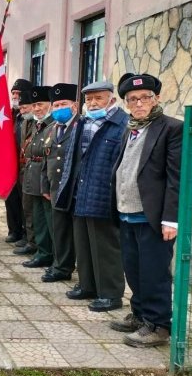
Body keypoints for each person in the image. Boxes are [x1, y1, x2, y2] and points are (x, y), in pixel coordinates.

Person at [110, 74, 180, 347]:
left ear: (156, 99)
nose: (139, 103)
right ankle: (140, 314)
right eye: (133, 99)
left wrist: (170, 219)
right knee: (134, 269)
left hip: (153, 216)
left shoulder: (171, 128)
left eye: (145, 98)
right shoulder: (130, 128)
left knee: (155, 272)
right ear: (127, 103)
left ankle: (159, 325)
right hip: (127, 212)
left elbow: (175, 177)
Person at [56, 79, 128, 312]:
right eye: (89, 99)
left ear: (112, 100)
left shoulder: (122, 125)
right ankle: (87, 285)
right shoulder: (83, 122)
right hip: (79, 192)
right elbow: (72, 158)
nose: (93, 103)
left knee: (105, 247)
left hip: (103, 194)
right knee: (83, 243)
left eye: (99, 98)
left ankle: (110, 293)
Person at [40, 83, 79, 282]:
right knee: (59, 230)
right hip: (55, 188)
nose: (58, 108)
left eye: (63, 104)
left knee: (74, 233)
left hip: (73, 189)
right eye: (55, 105)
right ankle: (61, 266)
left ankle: (68, 266)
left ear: (74, 106)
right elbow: (47, 159)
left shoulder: (80, 126)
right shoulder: (51, 129)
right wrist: (45, 185)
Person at [20, 86, 54, 269]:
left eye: (40, 104)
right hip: (33, 174)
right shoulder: (37, 124)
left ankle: (55, 256)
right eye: (34, 105)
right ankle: (43, 252)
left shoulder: (53, 124)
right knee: (38, 218)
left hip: (46, 176)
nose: (37, 108)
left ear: (50, 105)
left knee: (50, 221)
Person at [4, 78, 32, 244]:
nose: (15, 96)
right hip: (9, 163)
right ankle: (13, 230)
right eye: (13, 93)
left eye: (18, 93)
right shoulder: (10, 114)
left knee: (25, 202)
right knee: (11, 199)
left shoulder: (29, 116)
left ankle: (26, 234)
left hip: (24, 165)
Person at [13, 90, 38, 255]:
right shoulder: (23, 122)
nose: (23, 111)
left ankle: (36, 242)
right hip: (24, 168)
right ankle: (29, 238)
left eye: (26, 107)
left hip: (36, 169)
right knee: (26, 207)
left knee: (35, 209)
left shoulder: (40, 123)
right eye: (21, 108)